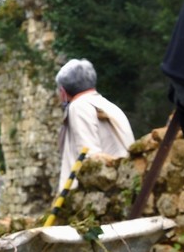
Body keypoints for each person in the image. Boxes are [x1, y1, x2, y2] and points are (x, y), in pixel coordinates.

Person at [54, 58, 135, 194]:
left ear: (63, 92)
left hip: (101, 193)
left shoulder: (79, 106)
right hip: (124, 181)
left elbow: (90, 156)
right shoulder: (108, 105)